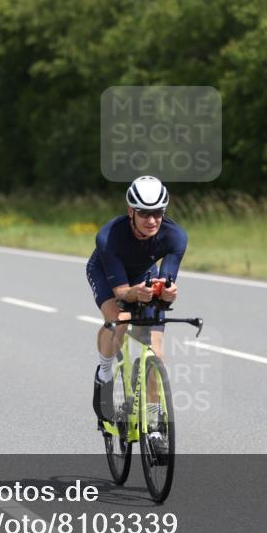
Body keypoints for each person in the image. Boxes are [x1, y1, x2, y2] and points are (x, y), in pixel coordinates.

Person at [86, 176, 187, 425]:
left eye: (158, 212)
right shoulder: (109, 236)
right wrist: (134, 293)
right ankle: (105, 372)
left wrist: (168, 293)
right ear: (131, 211)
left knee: (156, 350)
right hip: (107, 273)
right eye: (144, 213)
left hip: (144, 276)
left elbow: (166, 282)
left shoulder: (175, 237)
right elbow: (121, 293)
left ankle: (153, 422)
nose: (152, 220)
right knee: (119, 320)